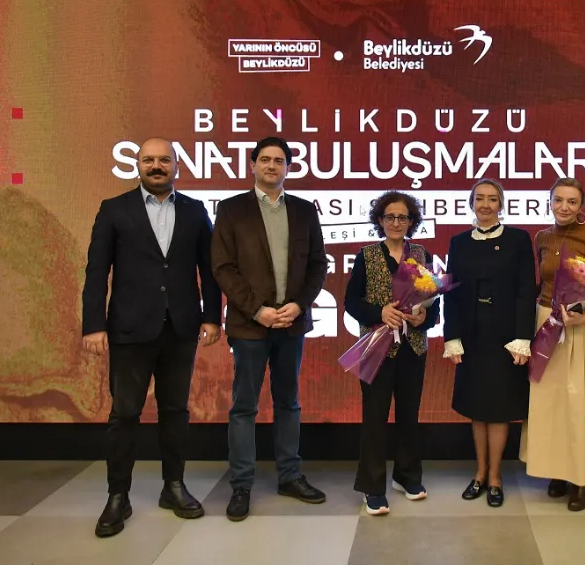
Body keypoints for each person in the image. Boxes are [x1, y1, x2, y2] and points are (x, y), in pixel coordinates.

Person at [82, 137, 222, 538]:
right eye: (149, 160)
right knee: (125, 414)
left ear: (177, 166)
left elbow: (209, 268)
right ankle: (118, 496)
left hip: (181, 329)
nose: (156, 166)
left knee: (175, 412)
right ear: (138, 165)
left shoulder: (195, 210)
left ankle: (173, 486)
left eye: (164, 160)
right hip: (129, 330)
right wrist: (93, 324)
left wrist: (212, 317)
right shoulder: (114, 209)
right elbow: (97, 271)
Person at [210, 136, 328, 522]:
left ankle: (289, 476)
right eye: (265, 159)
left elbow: (318, 264)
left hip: (291, 324)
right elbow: (223, 267)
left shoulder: (304, 210)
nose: (271, 166)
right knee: (244, 406)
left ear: (288, 168)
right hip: (250, 326)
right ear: (253, 165)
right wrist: (256, 310)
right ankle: (241, 484)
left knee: (288, 403)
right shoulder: (232, 210)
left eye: (279, 160)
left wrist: (301, 303)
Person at [520, 178, 585, 511]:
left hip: (580, 325)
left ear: (582, 207)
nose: (564, 207)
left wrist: (584, 315)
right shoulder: (541, 237)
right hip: (545, 322)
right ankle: (556, 471)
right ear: (550, 202)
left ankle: (581, 478)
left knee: (578, 401)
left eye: (572, 201)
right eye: (558, 200)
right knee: (549, 402)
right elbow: (541, 282)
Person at [344, 191, 440, 515]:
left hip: (413, 347)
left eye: (402, 217)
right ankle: (372, 487)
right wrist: (379, 312)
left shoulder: (422, 254)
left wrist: (426, 317)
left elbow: (434, 303)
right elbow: (351, 302)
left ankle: (407, 476)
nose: (396, 223)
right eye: (390, 217)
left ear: (412, 221)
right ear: (380, 221)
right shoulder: (367, 255)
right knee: (375, 418)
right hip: (376, 347)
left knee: (409, 415)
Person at [444, 179, 536, 507]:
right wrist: (452, 337)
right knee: (477, 407)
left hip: (506, 338)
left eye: (492, 199)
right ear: (471, 203)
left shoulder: (518, 239)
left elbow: (526, 291)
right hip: (472, 337)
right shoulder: (458, 242)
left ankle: (495, 476)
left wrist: (523, 338)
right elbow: (451, 292)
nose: (485, 204)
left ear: (501, 205)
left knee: (498, 409)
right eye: (479, 198)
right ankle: (479, 473)